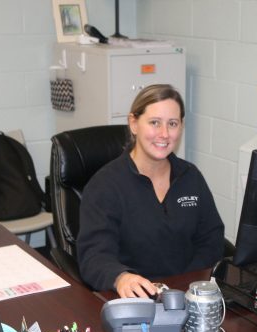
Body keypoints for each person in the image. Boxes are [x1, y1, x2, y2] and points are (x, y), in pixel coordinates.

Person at [77, 84, 225, 298]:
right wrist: (121, 277)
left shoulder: (190, 176)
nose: (164, 134)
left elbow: (211, 239)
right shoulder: (105, 185)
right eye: (155, 123)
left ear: (181, 127)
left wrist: (187, 285)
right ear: (133, 123)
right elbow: (94, 256)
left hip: (187, 294)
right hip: (134, 298)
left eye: (172, 124)